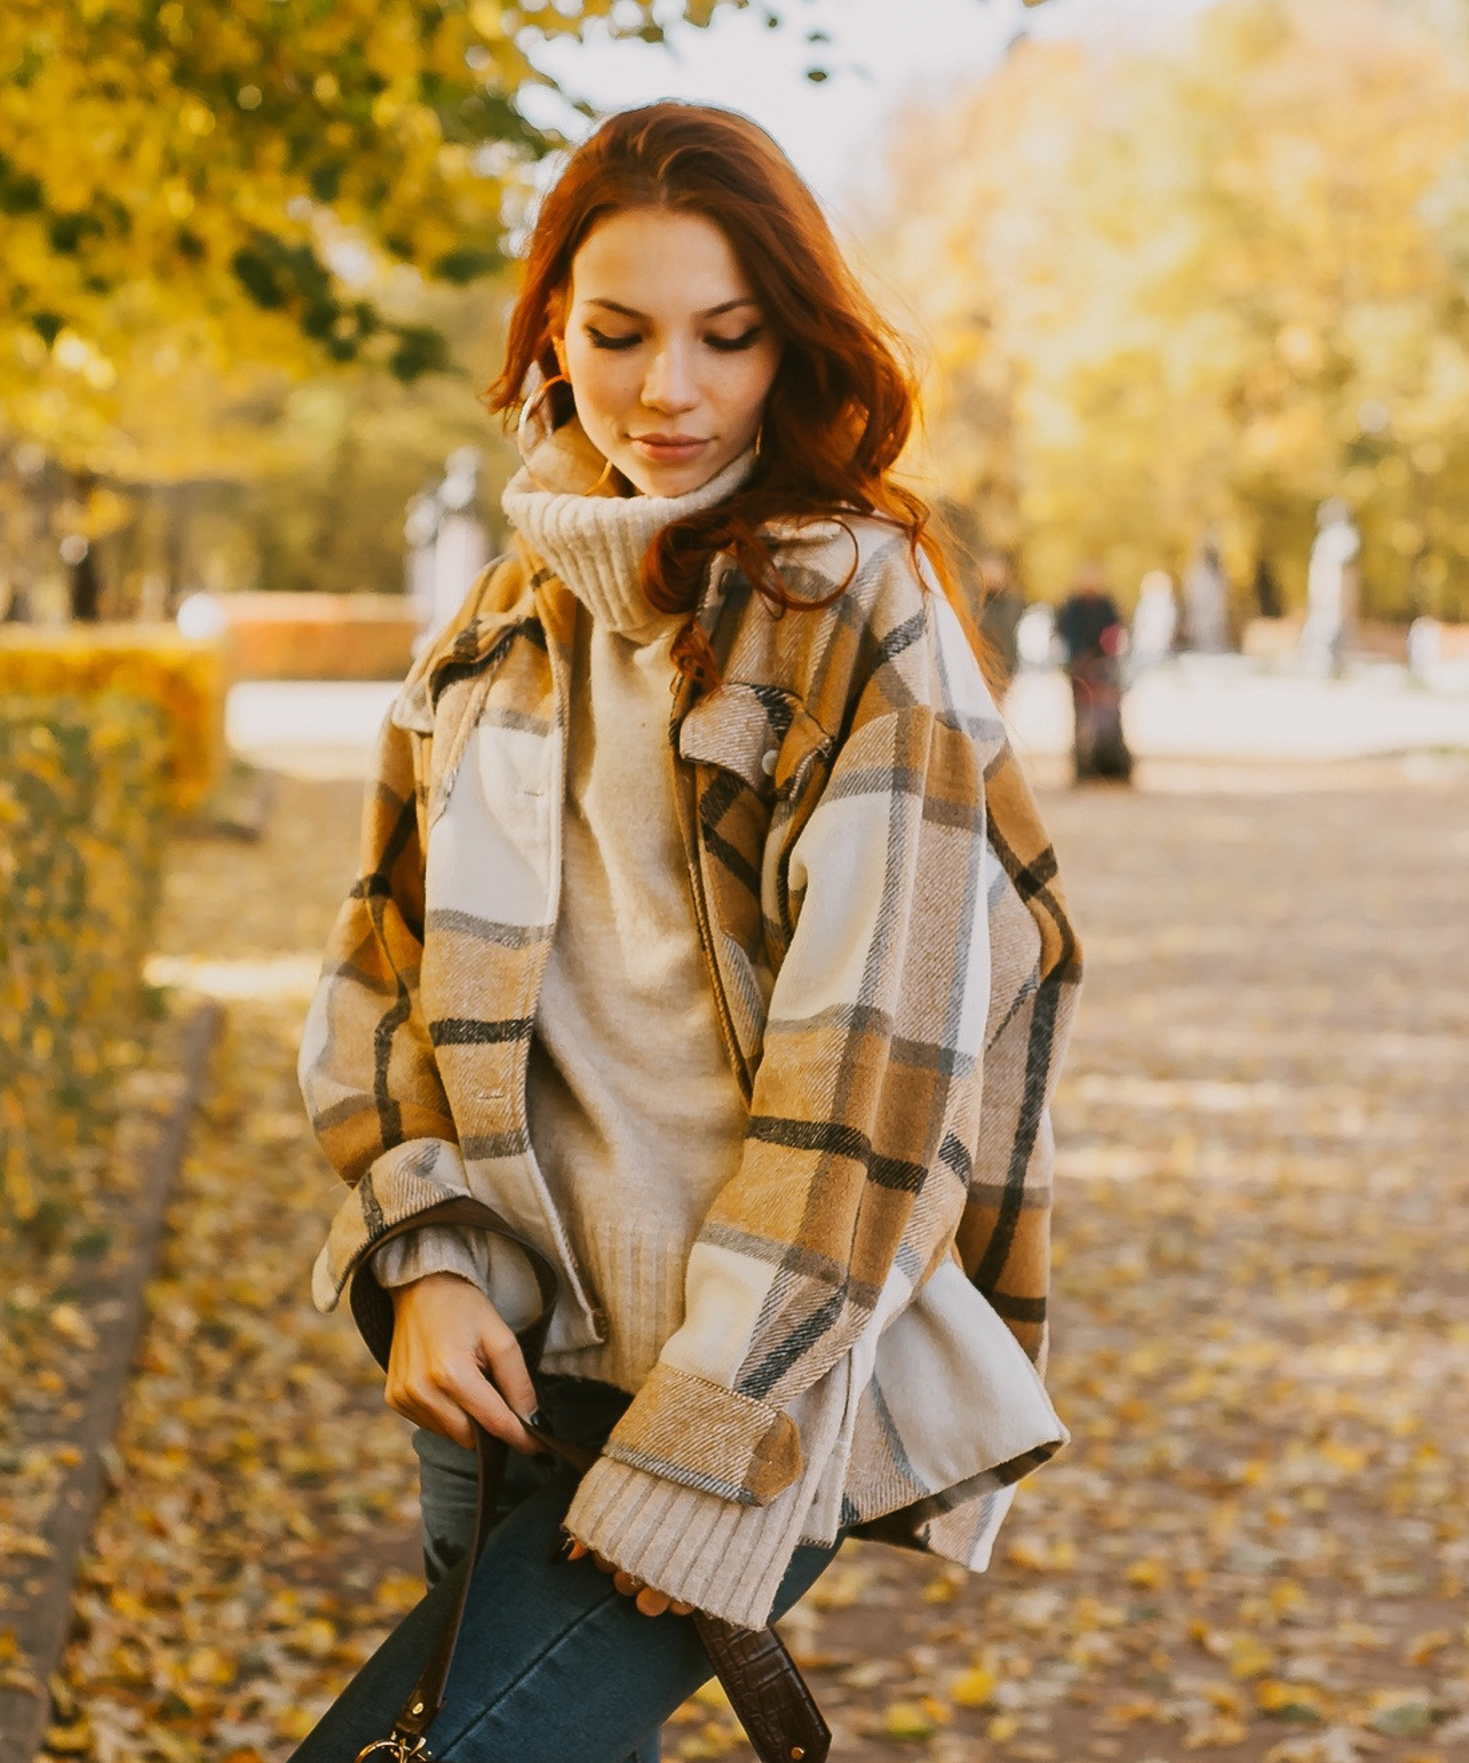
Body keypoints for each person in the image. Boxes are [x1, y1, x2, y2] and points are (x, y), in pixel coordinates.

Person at [294, 102, 1082, 1763]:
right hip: (504, 1364)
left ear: (790, 344)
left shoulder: (858, 618)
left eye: (727, 337)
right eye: (619, 332)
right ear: (550, 337)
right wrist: (424, 1249)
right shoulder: (493, 631)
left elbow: (873, 1084)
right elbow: (384, 963)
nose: (670, 389)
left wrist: (710, 1437)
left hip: (751, 1382)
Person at [1057, 564, 1132, 781]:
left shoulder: (1107, 605)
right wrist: (1081, 658)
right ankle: (1083, 766)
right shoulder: (1073, 606)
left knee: (1108, 716)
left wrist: (1103, 655)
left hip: (1102, 667)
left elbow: (1113, 633)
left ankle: (1108, 763)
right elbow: (1068, 634)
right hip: (1080, 669)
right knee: (1082, 718)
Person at [976, 550, 1025, 685]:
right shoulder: (974, 601)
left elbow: (1007, 632)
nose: (992, 574)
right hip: (979, 665)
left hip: (1003, 665)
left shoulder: (1011, 602)